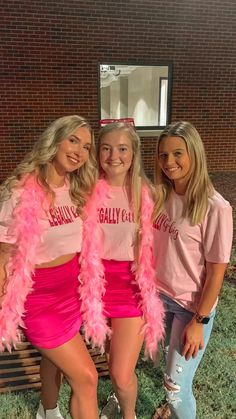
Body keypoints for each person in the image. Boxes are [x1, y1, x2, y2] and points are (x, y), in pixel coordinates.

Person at [0, 115, 99, 419]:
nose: (79, 151)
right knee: (86, 377)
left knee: (54, 360)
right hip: (39, 300)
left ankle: (49, 409)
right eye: (73, 140)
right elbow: (3, 254)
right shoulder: (19, 192)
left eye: (86, 146)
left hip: (71, 295)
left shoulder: (76, 188)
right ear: (54, 140)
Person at [79, 122, 165, 419]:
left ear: (134, 153)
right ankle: (117, 398)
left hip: (131, 288)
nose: (114, 156)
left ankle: (130, 414)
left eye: (122, 148)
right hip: (96, 288)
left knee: (121, 371)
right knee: (110, 358)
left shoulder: (148, 194)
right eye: (106, 148)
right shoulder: (86, 190)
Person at [152, 121, 233, 419]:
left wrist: (199, 320)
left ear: (194, 154)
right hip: (158, 300)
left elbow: (216, 274)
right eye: (163, 155)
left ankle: (177, 410)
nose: (169, 162)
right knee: (165, 366)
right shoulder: (161, 196)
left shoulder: (215, 208)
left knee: (175, 386)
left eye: (177, 154)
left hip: (190, 307)